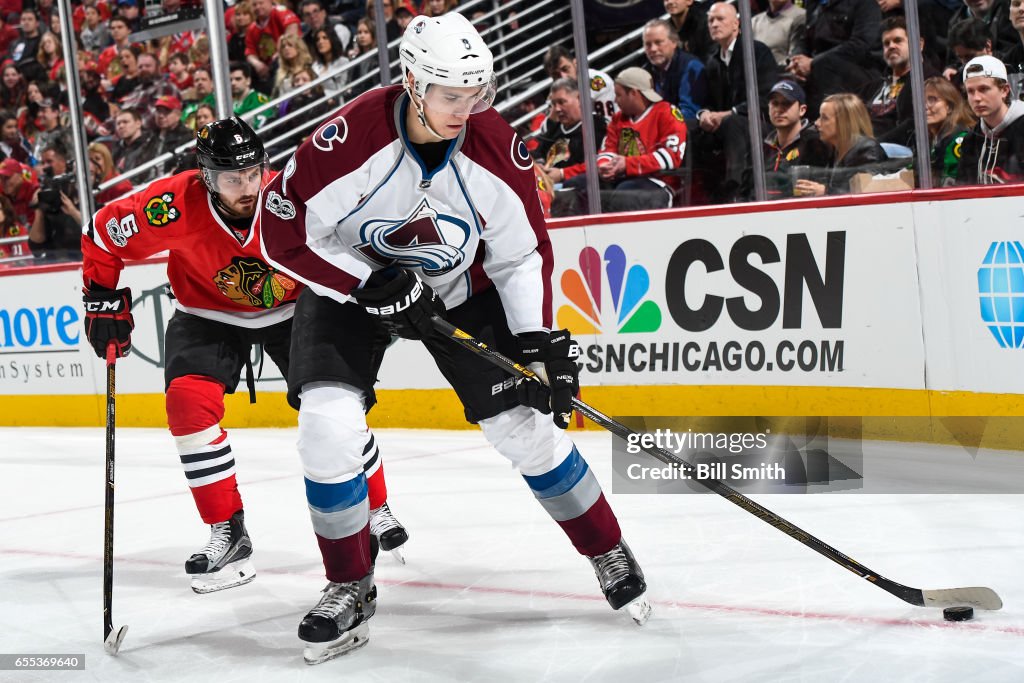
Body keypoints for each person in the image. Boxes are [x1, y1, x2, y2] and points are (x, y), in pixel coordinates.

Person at [258, 12, 651, 665]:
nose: (466, 110)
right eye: (451, 96)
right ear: (412, 82)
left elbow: (521, 254)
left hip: (461, 289)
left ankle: (605, 545)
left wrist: (538, 343)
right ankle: (349, 583)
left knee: (526, 428)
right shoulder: (347, 140)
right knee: (326, 428)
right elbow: (284, 235)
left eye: (477, 94)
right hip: (352, 291)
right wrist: (365, 282)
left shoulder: (493, 143)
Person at [79, 118, 410, 597]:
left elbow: (353, 236)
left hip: (296, 307)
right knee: (187, 406)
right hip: (207, 311)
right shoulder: (169, 205)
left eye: (253, 173)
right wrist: (101, 297)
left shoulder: (291, 195)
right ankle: (227, 532)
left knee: (334, 406)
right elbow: (101, 233)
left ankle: (374, 508)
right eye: (233, 179)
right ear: (206, 176)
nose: (247, 187)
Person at [598, 67, 689, 210]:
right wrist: (605, 166)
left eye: (619, 95)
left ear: (633, 93)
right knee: (581, 186)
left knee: (624, 195)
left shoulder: (667, 113)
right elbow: (607, 150)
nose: (615, 100)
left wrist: (627, 165)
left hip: (659, 183)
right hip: (622, 179)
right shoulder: (617, 119)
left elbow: (671, 157)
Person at [534, 78, 607, 217]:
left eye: (562, 102)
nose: (557, 109)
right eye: (554, 104)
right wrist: (540, 166)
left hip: (576, 192)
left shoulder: (596, 126)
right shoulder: (554, 128)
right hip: (546, 185)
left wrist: (562, 174)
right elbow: (538, 152)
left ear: (580, 99)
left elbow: (596, 165)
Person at [793, 92, 886, 196]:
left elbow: (866, 192)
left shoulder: (867, 150)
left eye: (824, 118)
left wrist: (825, 191)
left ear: (844, 122)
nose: (816, 123)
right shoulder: (835, 151)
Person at [863, 16, 938, 143]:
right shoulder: (875, 85)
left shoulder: (930, 81)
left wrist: (874, 145)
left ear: (919, 44)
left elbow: (913, 125)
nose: (891, 46)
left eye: (898, 41)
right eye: (886, 43)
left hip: (896, 152)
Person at [957, 55, 1024, 184]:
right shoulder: (970, 139)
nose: (976, 98)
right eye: (970, 91)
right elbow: (962, 189)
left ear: (1004, 90)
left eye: (984, 89)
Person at [762, 79, 830, 198]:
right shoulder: (761, 148)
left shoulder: (815, 143)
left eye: (786, 103)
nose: (779, 109)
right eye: (775, 103)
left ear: (802, 110)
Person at [641, 18, 708, 120]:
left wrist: (653, 123)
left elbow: (689, 114)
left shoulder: (691, 66)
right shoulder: (645, 71)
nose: (653, 49)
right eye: (648, 44)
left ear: (674, 42)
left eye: (658, 42)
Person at [923, 76, 975, 186]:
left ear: (950, 107)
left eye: (932, 100)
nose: (925, 106)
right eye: (921, 101)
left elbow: (950, 186)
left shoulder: (958, 139)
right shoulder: (924, 138)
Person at [541, 45, 617, 121]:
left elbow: (607, 121)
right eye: (556, 74)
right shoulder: (554, 94)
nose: (563, 77)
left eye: (565, 69)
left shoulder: (597, 81)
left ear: (575, 63)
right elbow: (547, 129)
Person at [751, 0, 806, 68]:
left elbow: (794, 61)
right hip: (757, 75)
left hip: (784, 75)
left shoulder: (801, 17)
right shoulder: (754, 22)